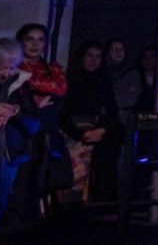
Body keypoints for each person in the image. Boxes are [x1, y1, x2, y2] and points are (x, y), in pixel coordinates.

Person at [0, 39, 41, 233]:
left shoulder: (21, 86)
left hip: (8, 156)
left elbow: (34, 125)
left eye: (11, 68)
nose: (5, 73)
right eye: (0, 67)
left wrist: (16, 111)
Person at [8, 23, 68, 222]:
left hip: (46, 133)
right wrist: (34, 104)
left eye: (40, 40)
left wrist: (38, 98)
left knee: (46, 183)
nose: (35, 44)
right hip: (20, 133)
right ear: (21, 42)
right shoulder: (12, 67)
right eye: (30, 39)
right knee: (20, 186)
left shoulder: (52, 69)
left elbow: (61, 91)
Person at [60, 40, 123, 203]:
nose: (93, 60)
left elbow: (112, 111)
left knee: (106, 163)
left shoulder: (104, 81)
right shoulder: (69, 81)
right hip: (73, 132)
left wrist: (102, 130)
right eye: (89, 55)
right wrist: (80, 133)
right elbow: (61, 113)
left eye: (98, 56)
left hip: (100, 131)